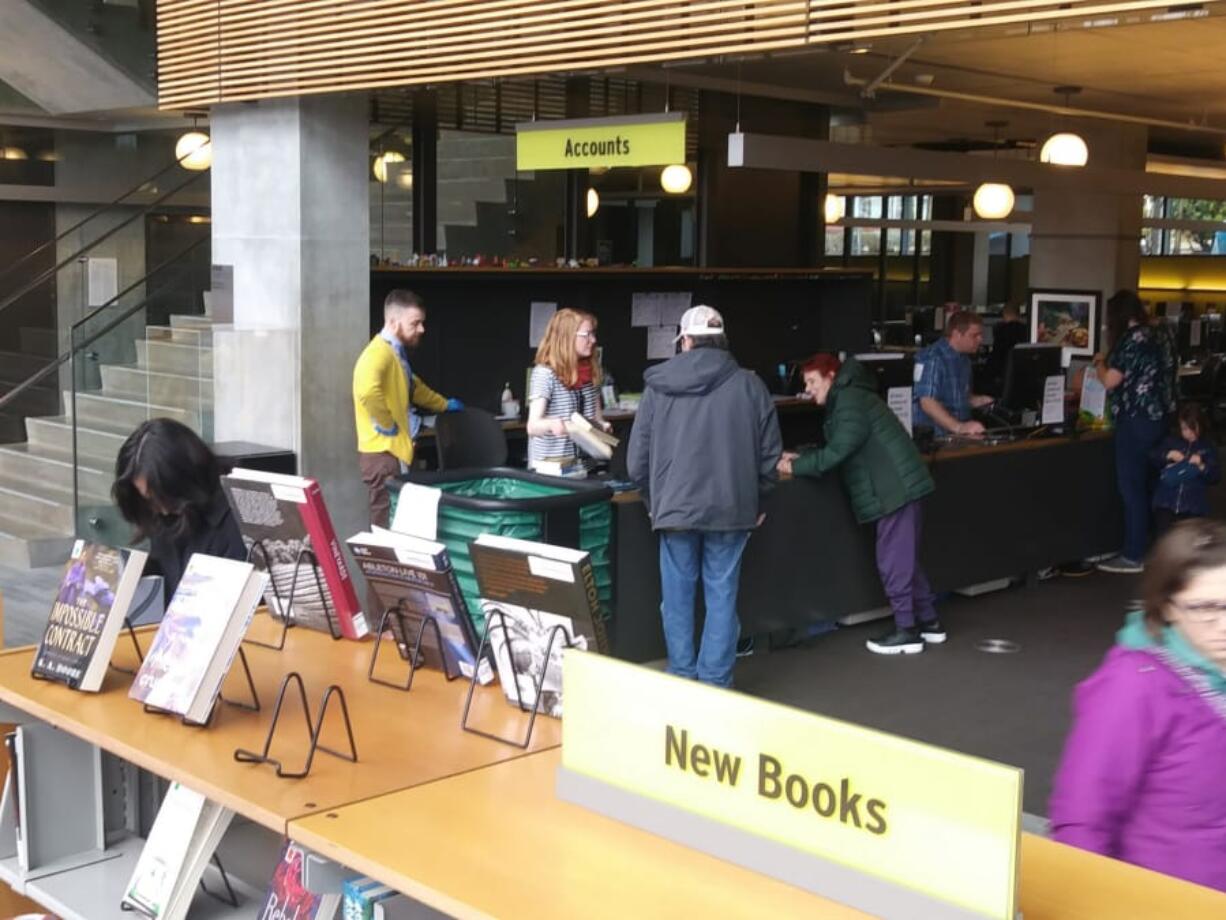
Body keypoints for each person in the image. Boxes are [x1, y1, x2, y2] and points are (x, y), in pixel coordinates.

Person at [1049, 519, 1226, 892]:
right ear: (1167, 607)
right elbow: (1082, 822)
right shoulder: (1133, 685)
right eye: (1206, 608)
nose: (1223, 624)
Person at [627, 305, 781, 687]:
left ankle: (681, 676)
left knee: (676, 600)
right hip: (732, 509)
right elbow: (770, 455)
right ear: (721, 340)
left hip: (674, 510)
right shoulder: (750, 385)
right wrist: (757, 499)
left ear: (687, 341)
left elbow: (636, 463)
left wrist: (654, 503)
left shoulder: (657, 387)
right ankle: (715, 683)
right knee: (722, 597)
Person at [779, 354, 941, 655]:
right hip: (900, 486)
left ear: (831, 376)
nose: (809, 389)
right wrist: (805, 459)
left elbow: (840, 449)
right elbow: (844, 444)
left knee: (893, 562)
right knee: (905, 560)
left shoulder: (849, 399)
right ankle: (929, 623)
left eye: (813, 381)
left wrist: (796, 467)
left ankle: (907, 631)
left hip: (893, 490)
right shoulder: (852, 395)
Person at [352, 289, 463, 528]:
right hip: (383, 453)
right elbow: (367, 391)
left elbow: (415, 388)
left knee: (396, 523)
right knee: (385, 526)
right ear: (393, 322)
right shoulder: (378, 353)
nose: (422, 329)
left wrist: (445, 404)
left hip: (391, 453)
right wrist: (386, 424)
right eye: (415, 323)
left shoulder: (394, 355)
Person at [112, 418, 245, 600]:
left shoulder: (235, 520)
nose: (162, 510)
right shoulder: (162, 519)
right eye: (149, 500)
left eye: (163, 498)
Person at [1093, 290, 1166, 574]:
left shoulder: (1127, 341)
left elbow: (1111, 381)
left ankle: (1133, 554)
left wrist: (1100, 362)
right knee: (1148, 484)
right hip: (1156, 416)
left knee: (1131, 486)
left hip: (1133, 420)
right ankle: (1152, 546)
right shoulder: (1155, 335)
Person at [526, 308, 611, 474]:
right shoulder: (545, 374)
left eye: (593, 334)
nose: (593, 340)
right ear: (567, 337)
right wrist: (551, 424)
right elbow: (533, 426)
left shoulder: (590, 373)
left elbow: (596, 420)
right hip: (552, 470)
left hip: (585, 468)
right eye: (587, 334)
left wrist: (602, 427)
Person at [912, 311, 994, 437]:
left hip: (958, 436)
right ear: (956, 334)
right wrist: (959, 427)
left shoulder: (964, 359)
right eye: (975, 335)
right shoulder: (932, 358)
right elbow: (927, 402)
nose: (980, 340)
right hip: (935, 439)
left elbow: (957, 396)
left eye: (980, 335)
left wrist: (977, 400)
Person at [1151, 403, 1220, 535]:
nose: (1189, 433)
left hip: (1193, 507)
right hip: (1165, 503)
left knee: (1188, 545)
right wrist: (1167, 455)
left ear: (1201, 425)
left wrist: (1202, 466)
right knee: (1165, 541)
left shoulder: (1208, 448)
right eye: (1184, 429)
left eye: (1193, 428)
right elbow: (1152, 457)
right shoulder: (1171, 441)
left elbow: (1215, 477)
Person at [986, 303, 1028, 396]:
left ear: (1004, 314)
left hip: (1001, 376)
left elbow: (996, 356)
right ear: (1019, 314)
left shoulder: (1001, 331)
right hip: (1021, 377)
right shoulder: (1027, 330)